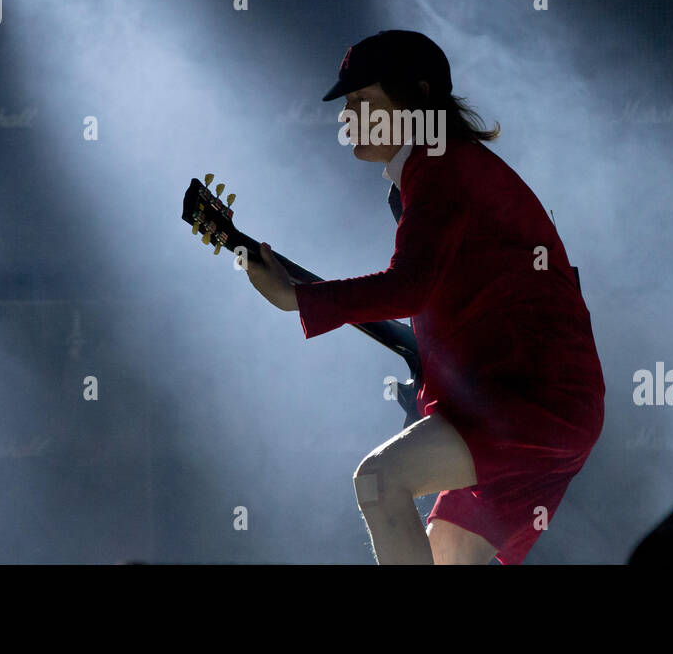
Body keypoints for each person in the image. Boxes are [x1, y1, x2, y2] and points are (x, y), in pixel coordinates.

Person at [246, 29, 605, 564]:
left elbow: (409, 286)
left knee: (379, 483)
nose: (348, 117)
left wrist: (301, 300)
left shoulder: (442, 166)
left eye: (363, 101)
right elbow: (448, 302)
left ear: (416, 97)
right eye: (347, 104)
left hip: (527, 400)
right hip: (527, 401)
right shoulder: (433, 170)